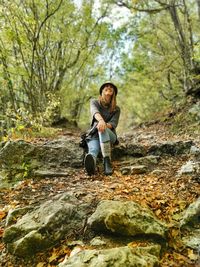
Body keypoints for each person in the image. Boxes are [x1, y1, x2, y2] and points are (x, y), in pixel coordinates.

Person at [84, 81, 120, 176]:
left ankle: (107, 161)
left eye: (111, 87)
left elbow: (113, 124)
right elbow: (95, 112)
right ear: (102, 91)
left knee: (102, 129)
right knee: (93, 150)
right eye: (106, 87)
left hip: (110, 135)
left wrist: (103, 125)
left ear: (113, 93)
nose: (108, 87)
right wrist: (101, 121)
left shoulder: (116, 109)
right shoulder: (94, 102)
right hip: (94, 135)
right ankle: (91, 165)